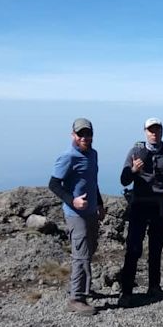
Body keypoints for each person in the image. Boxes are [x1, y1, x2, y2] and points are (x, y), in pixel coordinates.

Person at [119, 117, 163, 307]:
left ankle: (154, 287)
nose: (154, 133)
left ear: (162, 131)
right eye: (150, 130)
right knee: (134, 249)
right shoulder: (136, 151)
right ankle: (127, 292)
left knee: (156, 250)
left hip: (159, 207)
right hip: (139, 206)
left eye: (157, 130)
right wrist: (133, 170)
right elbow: (124, 180)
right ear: (145, 131)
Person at [48, 118, 105, 315]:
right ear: (73, 135)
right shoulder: (68, 157)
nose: (84, 138)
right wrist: (73, 201)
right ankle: (76, 298)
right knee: (81, 255)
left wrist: (99, 204)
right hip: (75, 214)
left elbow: (92, 181)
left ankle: (79, 287)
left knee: (89, 251)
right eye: (80, 134)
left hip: (90, 212)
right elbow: (54, 184)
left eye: (88, 134)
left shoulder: (93, 154)